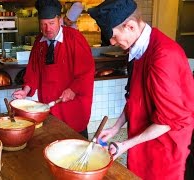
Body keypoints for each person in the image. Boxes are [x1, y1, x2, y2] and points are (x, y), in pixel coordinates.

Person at [88, 0, 194, 179]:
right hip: (144, 140)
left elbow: (169, 120)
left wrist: (125, 144)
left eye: (113, 36)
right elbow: (134, 97)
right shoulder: (139, 48)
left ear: (130, 26)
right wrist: (115, 128)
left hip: (165, 148)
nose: (113, 42)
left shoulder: (163, 57)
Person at [12, 0, 95, 138]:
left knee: (74, 147)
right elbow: (33, 71)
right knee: (52, 144)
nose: (47, 29)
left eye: (51, 23)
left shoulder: (75, 38)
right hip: (49, 107)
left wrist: (73, 89)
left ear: (59, 20)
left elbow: (87, 72)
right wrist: (25, 90)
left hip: (72, 107)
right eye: (43, 24)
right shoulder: (39, 42)